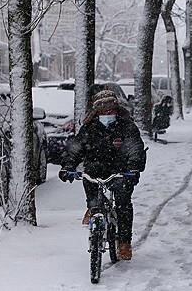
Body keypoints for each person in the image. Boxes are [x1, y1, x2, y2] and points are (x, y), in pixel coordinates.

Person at [59, 90, 146, 260]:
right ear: (96, 112)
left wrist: (133, 168)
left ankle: (124, 242)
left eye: (111, 111)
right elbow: (76, 148)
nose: (107, 114)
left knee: (123, 203)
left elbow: (135, 148)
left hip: (121, 171)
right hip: (95, 170)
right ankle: (93, 208)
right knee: (92, 191)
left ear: (116, 110)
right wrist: (68, 166)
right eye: (103, 111)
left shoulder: (126, 127)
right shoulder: (89, 128)